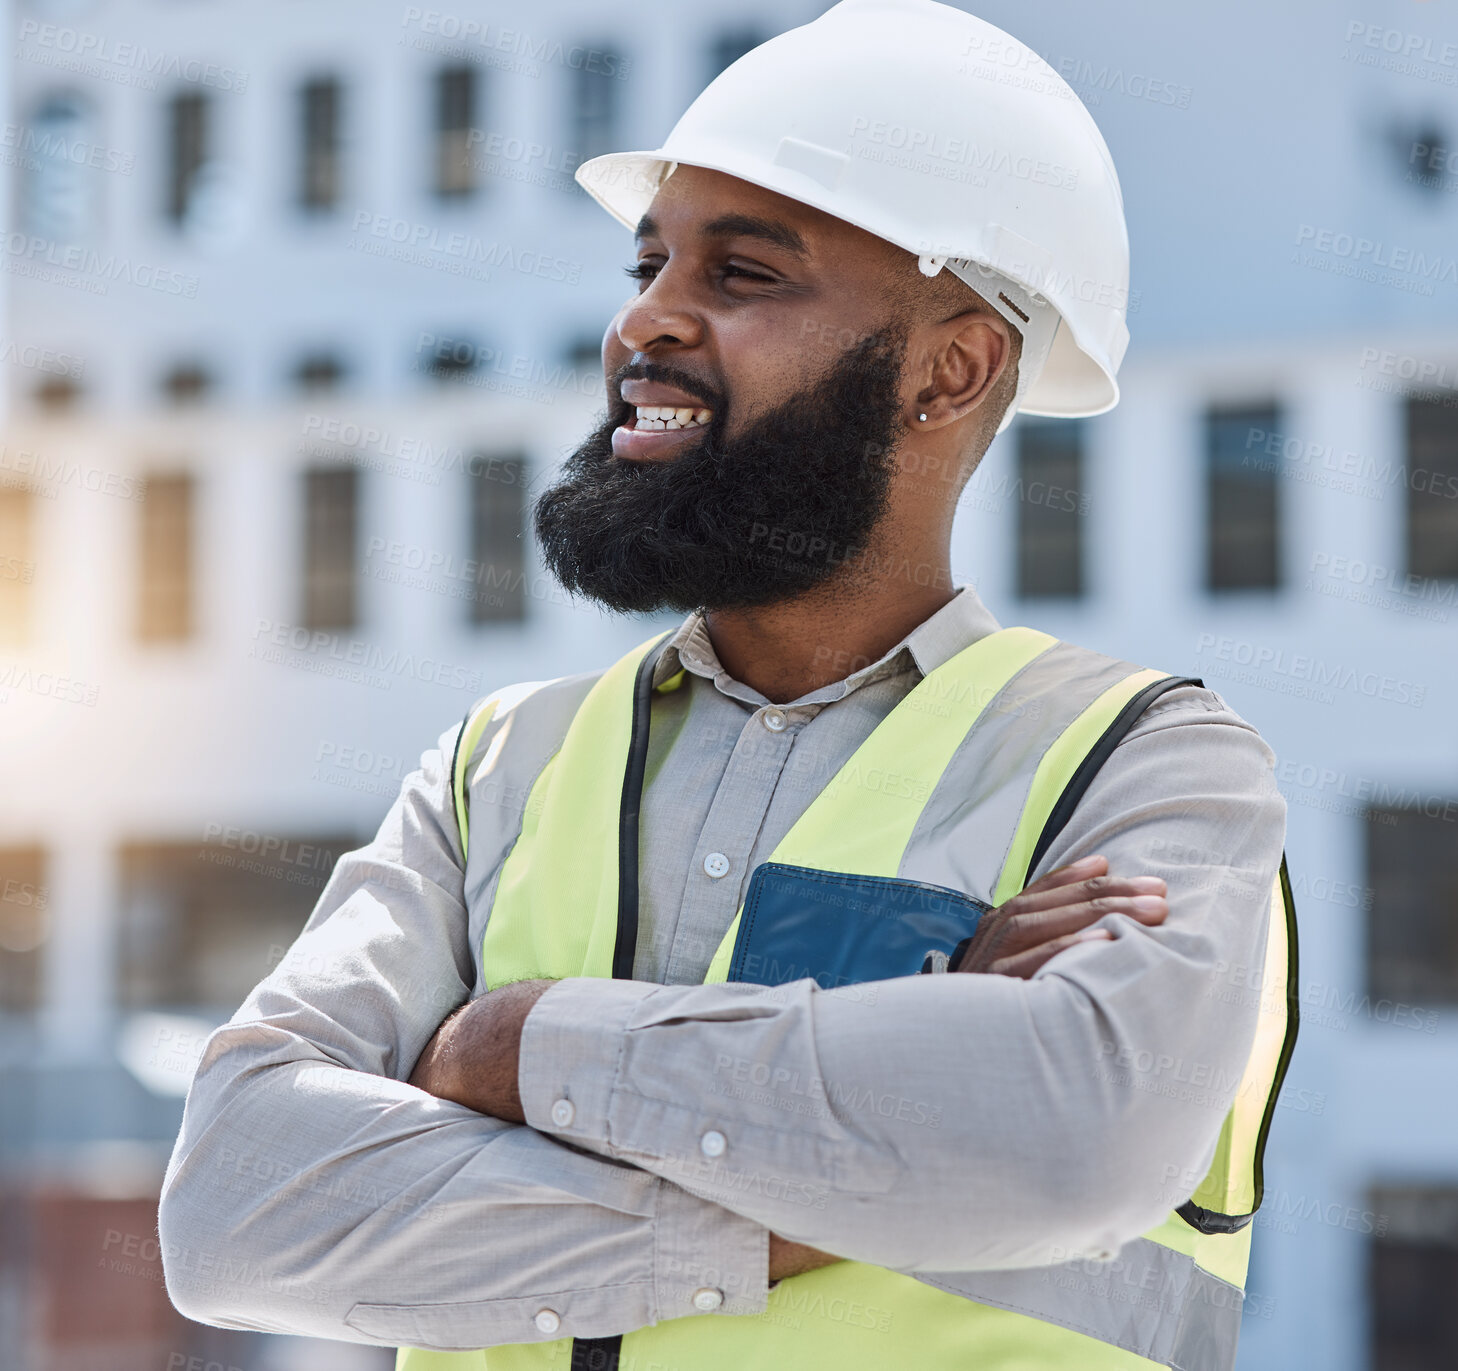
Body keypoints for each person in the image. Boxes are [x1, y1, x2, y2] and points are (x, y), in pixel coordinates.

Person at [160, 3, 1296, 1368]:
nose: (645, 317)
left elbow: (1069, 1145)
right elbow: (234, 1214)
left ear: (952, 368)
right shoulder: (498, 770)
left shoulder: (1144, 766)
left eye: (744, 274)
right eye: (648, 263)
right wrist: (859, 1147)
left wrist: (514, 1047)